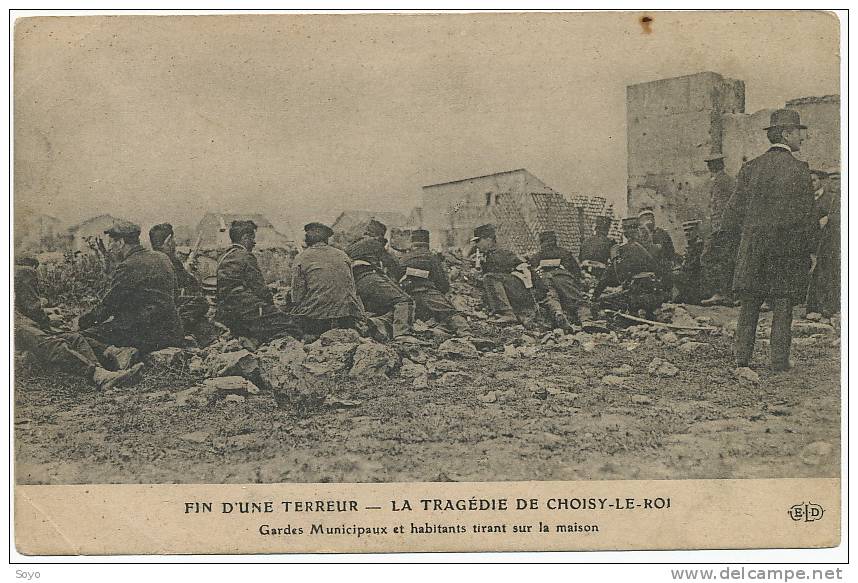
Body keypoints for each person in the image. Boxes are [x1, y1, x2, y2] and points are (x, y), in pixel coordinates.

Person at [722, 109, 816, 372]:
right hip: (787, 252)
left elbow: (732, 213)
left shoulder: (750, 168)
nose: (803, 138)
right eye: (799, 132)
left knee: (749, 305)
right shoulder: (799, 170)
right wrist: (812, 250)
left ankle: (742, 358)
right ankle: (778, 362)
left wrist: (741, 244)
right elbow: (808, 215)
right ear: (786, 134)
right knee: (783, 307)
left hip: (753, 251)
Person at [15, 256, 144, 389]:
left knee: (74, 337)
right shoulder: (23, 271)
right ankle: (100, 375)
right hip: (17, 328)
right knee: (53, 343)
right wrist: (48, 320)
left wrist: (46, 312)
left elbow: (23, 306)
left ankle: (104, 375)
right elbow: (33, 309)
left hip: (19, 325)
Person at [79, 220, 184, 357]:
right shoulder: (162, 257)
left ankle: (121, 355)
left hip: (146, 335)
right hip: (174, 332)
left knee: (80, 338)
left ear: (121, 242)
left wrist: (84, 322)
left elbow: (109, 306)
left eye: (111, 242)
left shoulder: (128, 265)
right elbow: (175, 296)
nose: (110, 248)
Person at [215, 220, 302, 343]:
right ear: (245, 238)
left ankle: (247, 336)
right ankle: (256, 341)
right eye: (252, 238)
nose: (254, 243)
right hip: (246, 310)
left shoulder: (223, 256)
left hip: (225, 312)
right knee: (291, 324)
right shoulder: (246, 256)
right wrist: (272, 308)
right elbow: (260, 289)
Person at [290, 222, 365, 336]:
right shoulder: (343, 255)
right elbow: (352, 288)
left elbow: (296, 297)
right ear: (327, 238)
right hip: (346, 316)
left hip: (316, 318)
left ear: (307, 238)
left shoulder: (301, 258)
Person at [149, 223, 217, 346]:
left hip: (153, 310)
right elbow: (190, 282)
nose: (175, 243)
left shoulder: (150, 259)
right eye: (173, 240)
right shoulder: (170, 260)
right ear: (168, 241)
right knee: (201, 303)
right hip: (167, 310)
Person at [346, 232, 420, 343]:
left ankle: (377, 323)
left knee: (386, 308)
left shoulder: (351, 247)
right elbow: (393, 265)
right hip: (370, 276)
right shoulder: (374, 243)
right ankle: (403, 333)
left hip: (354, 283)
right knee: (405, 301)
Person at [399, 229, 470, 335]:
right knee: (451, 313)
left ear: (412, 244)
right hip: (428, 295)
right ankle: (465, 333)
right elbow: (443, 285)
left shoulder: (403, 259)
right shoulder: (432, 258)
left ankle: (432, 327)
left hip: (407, 299)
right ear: (427, 244)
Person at [593, 217, 666, 320]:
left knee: (603, 302)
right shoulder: (655, 247)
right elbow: (663, 272)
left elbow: (607, 277)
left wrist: (595, 296)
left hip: (635, 297)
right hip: (657, 297)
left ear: (625, 233)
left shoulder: (622, 250)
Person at [470, 224, 538, 325]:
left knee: (489, 278)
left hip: (525, 291)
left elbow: (494, 279)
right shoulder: (491, 254)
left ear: (489, 240)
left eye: (478, 241)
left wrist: (479, 275)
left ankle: (507, 313)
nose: (476, 245)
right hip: (518, 289)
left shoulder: (500, 254)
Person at [700, 154, 739, 306]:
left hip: (724, 228)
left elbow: (731, 204)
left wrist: (723, 224)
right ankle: (725, 294)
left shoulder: (724, 181)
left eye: (711, 164)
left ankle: (722, 294)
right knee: (724, 260)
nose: (710, 167)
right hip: (722, 227)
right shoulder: (721, 180)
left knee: (712, 258)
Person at [529, 230, 585, 329]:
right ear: (555, 241)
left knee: (551, 297)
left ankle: (557, 312)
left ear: (541, 242)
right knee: (577, 299)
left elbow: (532, 274)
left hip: (544, 279)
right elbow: (576, 272)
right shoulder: (564, 253)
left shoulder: (537, 256)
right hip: (562, 277)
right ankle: (586, 320)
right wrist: (577, 283)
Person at [807, 167, 840, 316]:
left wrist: (829, 219)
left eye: (814, 180)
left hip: (828, 241)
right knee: (814, 273)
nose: (812, 183)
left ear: (821, 181)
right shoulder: (807, 198)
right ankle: (812, 307)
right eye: (810, 181)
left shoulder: (830, 199)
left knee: (826, 273)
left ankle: (827, 307)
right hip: (813, 240)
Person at [637, 207, 676, 297]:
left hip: (661, 265)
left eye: (651, 217)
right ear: (640, 221)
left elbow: (670, 252)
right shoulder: (639, 236)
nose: (649, 220)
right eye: (645, 218)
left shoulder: (662, 233)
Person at [675, 220, 706, 305]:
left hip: (697, 278)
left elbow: (694, 264)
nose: (687, 233)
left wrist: (682, 268)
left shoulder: (699, 245)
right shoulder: (690, 245)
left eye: (690, 230)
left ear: (696, 231)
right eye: (685, 230)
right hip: (691, 277)